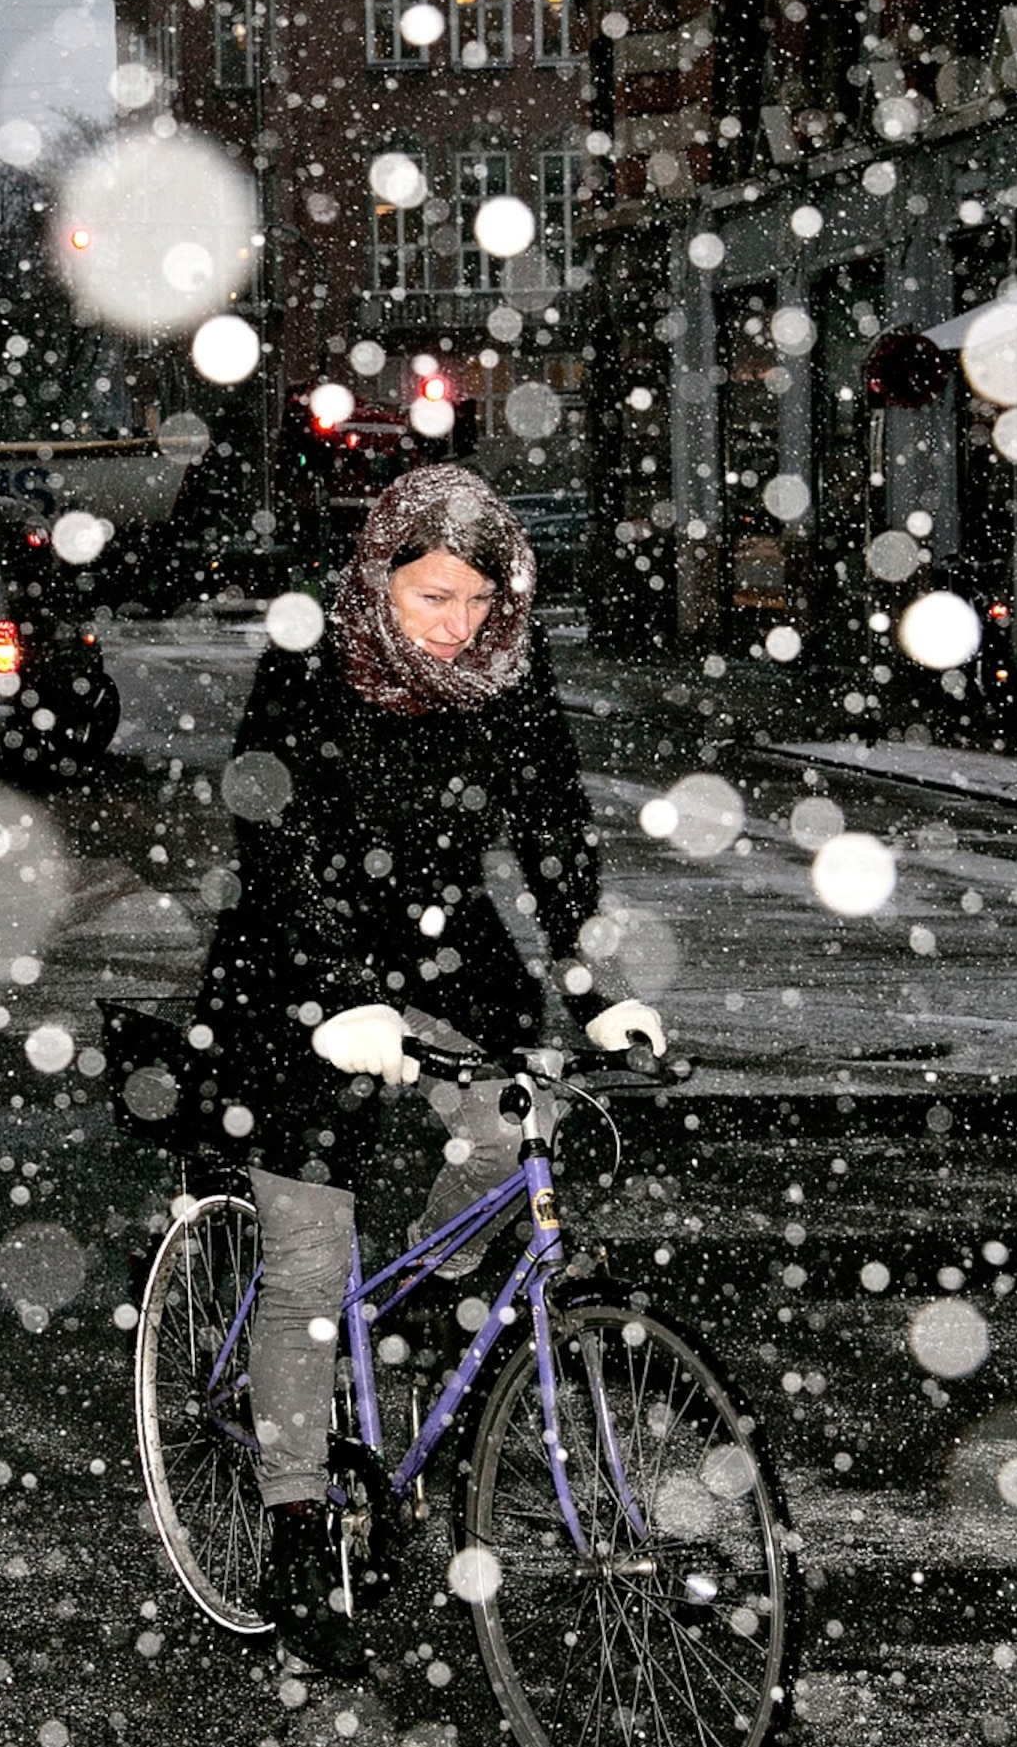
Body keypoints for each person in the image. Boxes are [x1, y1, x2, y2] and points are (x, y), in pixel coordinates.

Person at [191, 464, 664, 1674]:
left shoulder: (507, 671)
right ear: (382, 578)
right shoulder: (312, 660)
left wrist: (595, 988)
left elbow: (554, 826)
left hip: (453, 951)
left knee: (517, 1125)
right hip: (296, 960)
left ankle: (415, 1292)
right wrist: (338, 991)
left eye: (477, 601)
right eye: (434, 597)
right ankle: (297, 1520)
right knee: (307, 1250)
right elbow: (271, 823)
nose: (457, 625)